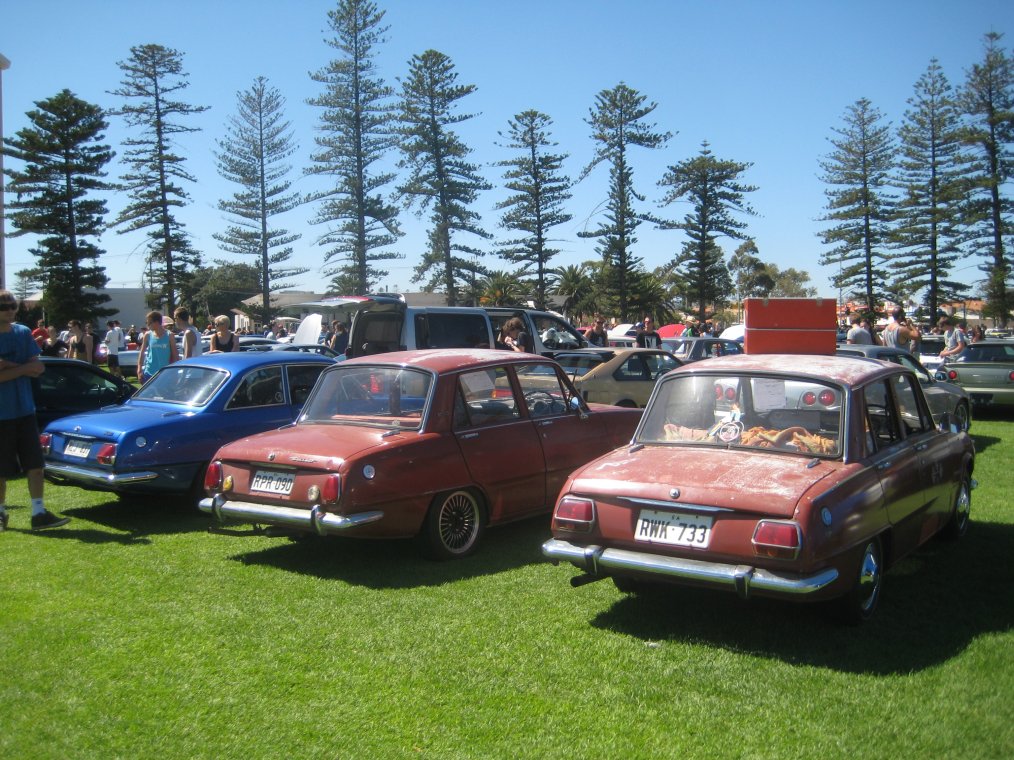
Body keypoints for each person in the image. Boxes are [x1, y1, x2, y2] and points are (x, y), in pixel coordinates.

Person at [0, 289, 71, 531]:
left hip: (25, 411)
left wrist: (9, 367)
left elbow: (38, 368)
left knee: (35, 465)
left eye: (12, 306)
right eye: (4, 306)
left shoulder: (21, 333)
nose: (9, 310)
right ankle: (0, 513)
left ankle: (38, 513)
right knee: (1, 469)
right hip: (2, 414)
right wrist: (22, 368)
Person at [137, 310, 179, 382]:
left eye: (149, 323)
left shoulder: (169, 335)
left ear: (156, 322)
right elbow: (142, 353)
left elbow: (175, 355)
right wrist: (139, 369)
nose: (147, 325)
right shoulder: (147, 335)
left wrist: (175, 372)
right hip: (149, 373)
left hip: (164, 373)